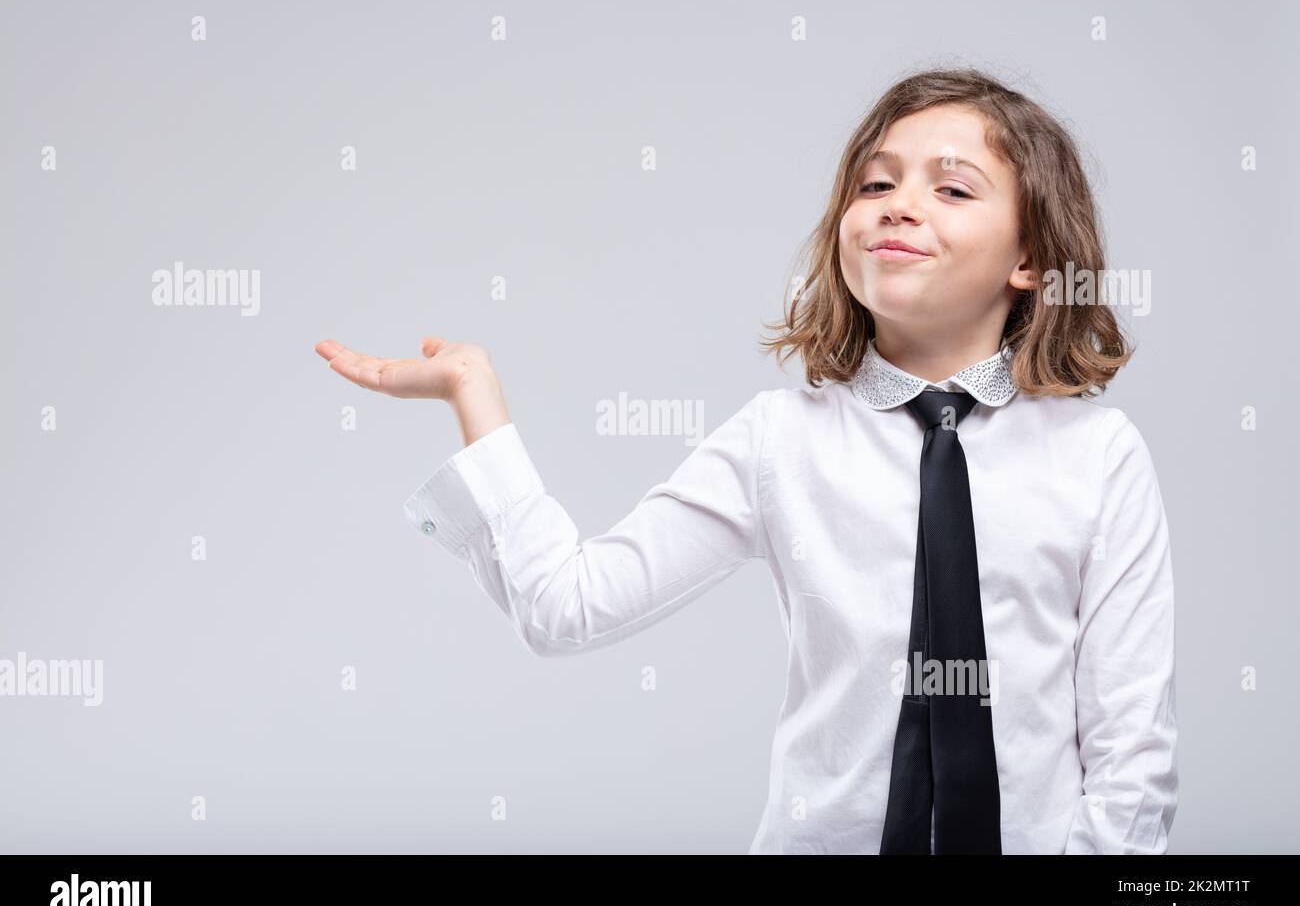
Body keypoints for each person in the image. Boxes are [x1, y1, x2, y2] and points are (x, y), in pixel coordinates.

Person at [314, 68, 1177, 855]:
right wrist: (475, 397)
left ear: (1031, 260)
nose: (898, 205)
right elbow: (566, 607)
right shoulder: (779, 440)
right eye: (876, 183)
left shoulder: (1097, 456)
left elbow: (1129, 746)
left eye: (951, 187)